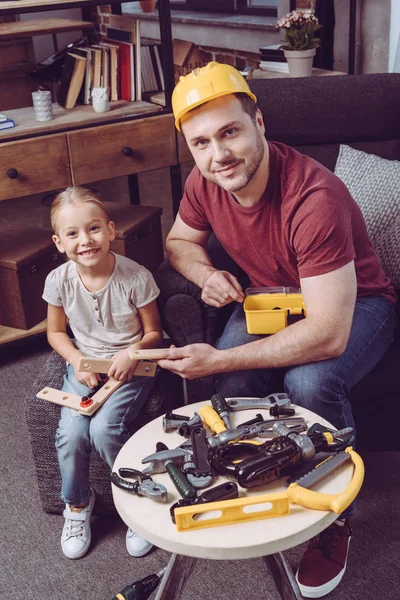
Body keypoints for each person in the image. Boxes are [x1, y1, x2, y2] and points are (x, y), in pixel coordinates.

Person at [157, 62, 397, 598]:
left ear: (259, 123)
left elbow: (329, 333)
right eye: (200, 143)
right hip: (271, 298)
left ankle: (333, 520)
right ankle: (264, 477)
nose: (218, 154)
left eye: (229, 132)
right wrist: (206, 273)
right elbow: (178, 243)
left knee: (310, 384)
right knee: (234, 388)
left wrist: (217, 359)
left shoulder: (314, 198)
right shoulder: (204, 181)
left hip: (358, 304)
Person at [43, 186, 163, 560]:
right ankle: (77, 506)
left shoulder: (135, 276)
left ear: (111, 230)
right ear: (59, 242)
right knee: (71, 433)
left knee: (104, 428)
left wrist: (131, 353)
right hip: (85, 365)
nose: (86, 240)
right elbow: (56, 332)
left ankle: (136, 502)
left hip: (132, 365)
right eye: (73, 233)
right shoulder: (58, 281)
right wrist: (77, 360)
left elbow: (154, 332)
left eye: (94, 228)